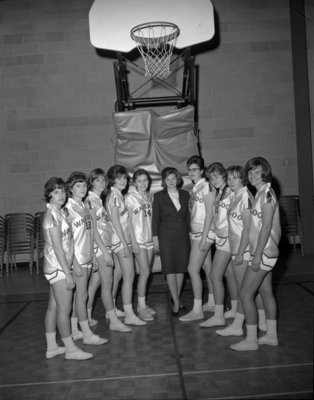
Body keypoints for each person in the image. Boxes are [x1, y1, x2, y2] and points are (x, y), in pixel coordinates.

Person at [230, 157, 281, 351]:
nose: (252, 175)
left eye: (256, 172)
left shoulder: (267, 194)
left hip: (264, 252)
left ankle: (251, 340)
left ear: (265, 173)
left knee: (245, 293)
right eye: (250, 172)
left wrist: (257, 254)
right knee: (266, 292)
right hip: (262, 251)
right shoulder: (259, 193)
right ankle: (271, 335)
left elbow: (267, 226)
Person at [43, 177, 92, 360]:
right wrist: (68, 274)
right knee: (64, 309)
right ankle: (70, 349)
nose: (61, 195)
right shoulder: (51, 217)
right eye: (56, 192)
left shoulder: (62, 213)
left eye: (63, 191)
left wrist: (75, 264)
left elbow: (69, 243)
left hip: (60, 265)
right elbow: (57, 249)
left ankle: (52, 347)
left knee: (53, 307)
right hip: (57, 267)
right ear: (49, 195)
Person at [216, 165, 266, 337]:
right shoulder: (237, 195)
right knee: (250, 289)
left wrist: (239, 252)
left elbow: (247, 229)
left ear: (242, 179)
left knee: (244, 290)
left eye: (234, 178)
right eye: (228, 178)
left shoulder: (245, 196)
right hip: (237, 247)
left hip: (242, 250)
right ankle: (262, 320)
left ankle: (239, 325)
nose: (230, 181)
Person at [65, 171, 110, 345]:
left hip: (87, 257)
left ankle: (76, 330)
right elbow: (66, 241)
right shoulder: (68, 209)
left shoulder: (83, 206)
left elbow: (91, 232)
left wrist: (93, 254)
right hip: (77, 259)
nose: (82, 188)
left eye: (84, 185)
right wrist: (74, 263)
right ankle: (86, 334)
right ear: (70, 188)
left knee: (80, 296)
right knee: (81, 296)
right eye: (78, 185)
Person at [85, 168, 131, 332]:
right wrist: (104, 252)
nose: (101, 183)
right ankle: (113, 320)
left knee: (95, 283)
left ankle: (87, 316)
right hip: (100, 247)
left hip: (104, 245)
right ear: (91, 182)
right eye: (97, 180)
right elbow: (93, 229)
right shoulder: (90, 201)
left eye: (103, 180)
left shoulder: (98, 199)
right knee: (107, 283)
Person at [105, 165, 146, 326]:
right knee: (130, 276)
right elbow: (116, 222)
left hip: (119, 241)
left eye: (124, 178)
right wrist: (125, 244)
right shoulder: (115, 197)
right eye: (119, 178)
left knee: (119, 276)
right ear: (112, 180)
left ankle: (112, 309)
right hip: (120, 241)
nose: (123, 181)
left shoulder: (117, 195)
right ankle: (129, 314)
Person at [200, 162, 238, 328]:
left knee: (215, 276)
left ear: (224, 175)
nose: (213, 180)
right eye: (211, 177)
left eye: (216, 176)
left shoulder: (231, 193)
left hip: (229, 239)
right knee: (229, 275)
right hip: (220, 238)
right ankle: (235, 308)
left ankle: (218, 315)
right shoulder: (219, 193)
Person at [179, 155, 216, 322]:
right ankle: (213, 301)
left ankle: (197, 309)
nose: (192, 172)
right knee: (207, 267)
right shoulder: (195, 189)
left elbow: (210, 214)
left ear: (202, 171)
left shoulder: (207, 187)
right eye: (190, 169)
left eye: (195, 169)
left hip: (204, 233)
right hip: (197, 233)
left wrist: (203, 237)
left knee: (192, 269)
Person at [152, 167, 190, 315]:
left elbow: (188, 218)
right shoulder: (159, 196)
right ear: (164, 181)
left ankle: (177, 299)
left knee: (181, 269)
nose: (171, 182)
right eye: (168, 179)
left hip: (182, 236)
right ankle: (176, 303)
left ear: (178, 179)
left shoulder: (186, 195)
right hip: (166, 236)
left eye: (173, 178)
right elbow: (155, 219)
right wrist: (155, 238)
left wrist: (191, 236)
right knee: (169, 269)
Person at [125, 169, 156, 321]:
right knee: (144, 272)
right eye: (139, 181)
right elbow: (128, 222)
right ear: (134, 183)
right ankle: (140, 307)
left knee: (147, 272)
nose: (142, 183)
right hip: (138, 239)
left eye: (145, 180)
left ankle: (142, 303)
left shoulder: (150, 196)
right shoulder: (130, 198)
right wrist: (134, 242)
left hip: (149, 239)